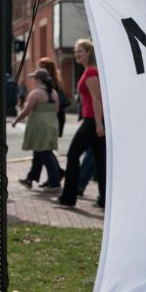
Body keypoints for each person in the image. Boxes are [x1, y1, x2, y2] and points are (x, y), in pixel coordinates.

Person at [57, 38, 105, 209]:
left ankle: (68, 198)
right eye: (76, 51)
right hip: (94, 120)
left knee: (72, 155)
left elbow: (97, 99)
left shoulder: (91, 73)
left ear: (89, 52)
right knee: (101, 160)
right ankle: (104, 199)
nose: (76, 54)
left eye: (80, 51)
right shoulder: (90, 71)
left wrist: (99, 124)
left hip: (93, 120)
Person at [12, 68, 62, 189]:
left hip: (39, 126)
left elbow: (27, 110)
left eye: (35, 78)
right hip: (52, 125)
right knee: (40, 152)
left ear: (39, 79)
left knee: (45, 153)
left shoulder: (36, 93)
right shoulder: (54, 93)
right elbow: (57, 109)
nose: (34, 80)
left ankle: (55, 182)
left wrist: (16, 120)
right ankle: (31, 178)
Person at [38, 56, 70, 138]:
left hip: (50, 114)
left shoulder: (45, 82)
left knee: (45, 143)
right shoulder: (57, 80)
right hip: (60, 113)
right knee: (52, 141)